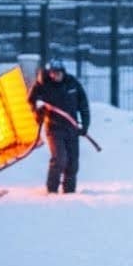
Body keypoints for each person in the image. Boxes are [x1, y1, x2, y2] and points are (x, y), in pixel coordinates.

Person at [28, 59, 90, 194]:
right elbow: (31, 102)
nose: (55, 76)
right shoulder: (43, 85)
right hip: (54, 128)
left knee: (73, 162)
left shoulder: (72, 83)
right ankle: (52, 190)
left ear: (63, 72)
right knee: (60, 158)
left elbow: (83, 104)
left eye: (58, 73)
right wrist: (38, 112)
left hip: (72, 128)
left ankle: (69, 191)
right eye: (53, 73)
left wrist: (85, 125)